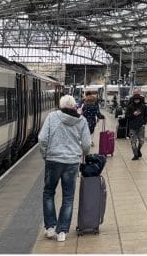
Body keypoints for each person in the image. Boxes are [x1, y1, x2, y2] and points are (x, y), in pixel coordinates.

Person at [37, 94, 92, 242]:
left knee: (48, 193)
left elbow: (42, 139)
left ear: (61, 106)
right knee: (68, 197)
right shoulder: (81, 121)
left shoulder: (52, 116)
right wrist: (83, 154)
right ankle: (62, 232)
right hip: (72, 162)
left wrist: (45, 155)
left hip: (53, 160)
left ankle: (50, 228)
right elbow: (87, 144)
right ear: (74, 106)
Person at [124, 92, 147, 160]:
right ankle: (135, 155)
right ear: (133, 100)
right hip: (132, 127)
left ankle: (138, 150)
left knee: (141, 141)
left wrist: (144, 123)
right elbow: (126, 117)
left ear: (140, 99)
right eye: (135, 99)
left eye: (138, 99)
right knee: (133, 142)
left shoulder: (143, 106)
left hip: (141, 126)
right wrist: (133, 115)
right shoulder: (130, 107)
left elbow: (146, 116)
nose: (136, 101)